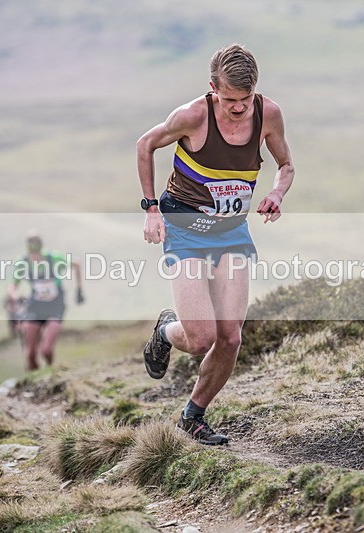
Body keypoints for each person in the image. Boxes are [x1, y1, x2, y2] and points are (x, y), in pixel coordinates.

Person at [137, 44, 295, 445]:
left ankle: (193, 416)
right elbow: (145, 145)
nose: (238, 108)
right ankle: (165, 330)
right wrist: (151, 209)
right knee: (200, 339)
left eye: (245, 99)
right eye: (229, 100)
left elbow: (286, 166)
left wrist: (277, 194)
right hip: (186, 230)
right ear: (213, 89)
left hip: (231, 232)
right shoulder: (192, 116)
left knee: (230, 337)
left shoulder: (268, 114)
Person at [8, 231, 84, 371]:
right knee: (30, 355)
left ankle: (50, 371)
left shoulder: (53, 258)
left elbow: (77, 264)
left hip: (55, 306)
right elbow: (13, 286)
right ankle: (33, 379)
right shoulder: (23, 262)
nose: (35, 257)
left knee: (46, 350)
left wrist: (79, 290)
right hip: (35, 307)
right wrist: (15, 297)